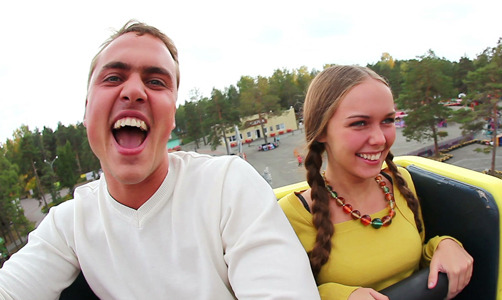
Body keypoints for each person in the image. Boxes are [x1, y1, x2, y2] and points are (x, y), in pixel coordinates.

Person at [0, 20, 319, 300]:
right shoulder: (69, 224)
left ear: (172, 120)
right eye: (113, 77)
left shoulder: (227, 186)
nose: (134, 91)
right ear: (86, 111)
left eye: (156, 81)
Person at [278, 65, 473, 300]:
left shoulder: (401, 183)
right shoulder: (292, 215)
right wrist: (340, 296)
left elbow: (417, 261)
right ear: (321, 131)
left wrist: (444, 245)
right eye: (360, 123)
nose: (380, 139)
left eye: (388, 120)